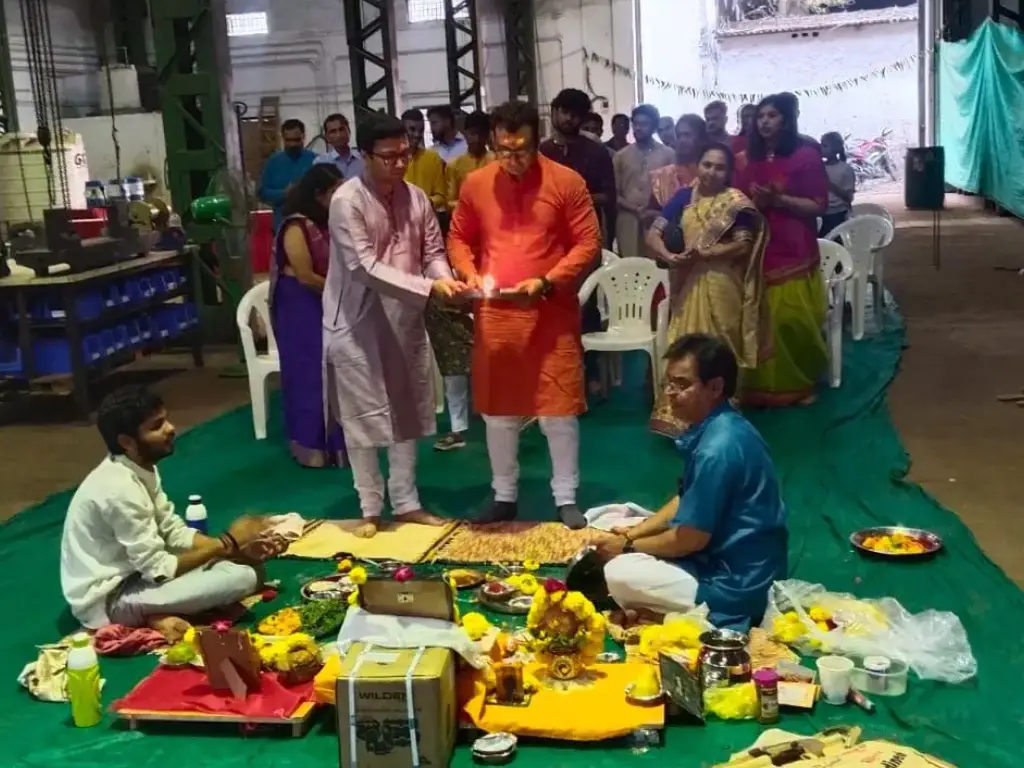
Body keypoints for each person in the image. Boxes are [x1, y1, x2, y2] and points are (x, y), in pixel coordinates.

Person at [448, 100, 602, 529]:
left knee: (558, 410)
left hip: (550, 312)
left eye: (521, 150)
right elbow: (458, 237)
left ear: (538, 141)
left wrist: (548, 281)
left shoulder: (566, 181)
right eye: (503, 150)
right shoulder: (476, 183)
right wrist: (468, 272)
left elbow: (588, 242)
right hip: (496, 315)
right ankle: (504, 495)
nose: (512, 159)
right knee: (498, 412)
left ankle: (565, 496)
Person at [324, 112, 468, 537]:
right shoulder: (346, 201)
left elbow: (432, 251)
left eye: (405, 153)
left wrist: (444, 279)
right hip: (356, 323)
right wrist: (429, 288)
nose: (400, 163)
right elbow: (363, 266)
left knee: (406, 412)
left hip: (405, 319)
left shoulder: (417, 197)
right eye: (389, 157)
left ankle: (406, 502)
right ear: (365, 156)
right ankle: (370, 505)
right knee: (363, 417)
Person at [596, 335, 788, 631]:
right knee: (617, 521)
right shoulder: (724, 425)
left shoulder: (717, 449)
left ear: (715, 387)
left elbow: (689, 540)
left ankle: (682, 614)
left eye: (682, 385)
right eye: (669, 383)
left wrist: (627, 548)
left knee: (619, 572)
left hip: (735, 584)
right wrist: (632, 533)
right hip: (726, 557)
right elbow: (685, 496)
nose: (670, 394)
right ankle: (658, 605)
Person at [60, 387, 271, 641]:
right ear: (127, 442)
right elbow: (158, 570)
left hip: (138, 575)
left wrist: (234, 550)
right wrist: (228, 543)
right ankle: (148, 615)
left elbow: (173, 531)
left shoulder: (139, 467)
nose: (170, 429)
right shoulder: (119, 489)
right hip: (111, 599)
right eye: (156, 426)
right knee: (244, 577)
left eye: (166, 420)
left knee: (242, 565)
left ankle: (158, 611)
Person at [645, 144, 770, 437]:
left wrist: (708, 254)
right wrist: (669, 256)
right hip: (688, 281)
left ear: (729, 172)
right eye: (707, 164)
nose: (712, 172)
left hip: (723, 283)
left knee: (722, 345)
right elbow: (653, 234)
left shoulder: (735, 202)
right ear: (698, 165)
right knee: (684, 344)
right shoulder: (682, 197)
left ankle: (722, 418)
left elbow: (744, 245)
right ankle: (680, 416)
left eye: (720, 167)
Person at [736, 94, 829, 407]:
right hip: (758, 248)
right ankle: (762, 388)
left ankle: (800, 383)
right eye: (761, 116)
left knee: (793, 318)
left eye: (772, 115)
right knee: (760, 318)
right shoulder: (748, 160)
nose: (764, 121)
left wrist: (779, 200)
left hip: (793, 247)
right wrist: (755, 203)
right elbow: (739, 203)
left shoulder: (806, 156)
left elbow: (818, 205)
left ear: (786, 121)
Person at [540, 89, 617, 397]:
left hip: (584, 238)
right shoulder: (541, 152)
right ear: (554, 111)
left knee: (587, 305)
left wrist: (574, 197)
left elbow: (608, 195)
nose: (569, 119)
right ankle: (556, 375)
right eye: (565, 112)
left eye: (575, 115)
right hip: (547, 242)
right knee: (550, 307)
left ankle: (591, 373)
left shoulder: (596, 153)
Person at [270, 164, 347, 467]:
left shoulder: (328, 223)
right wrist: (340, 293)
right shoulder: (296, 226)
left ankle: (338, 447)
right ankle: (312, 449)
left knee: (335, 371)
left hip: (326, 302)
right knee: (310, 374)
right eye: (335, 191)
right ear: (318, 194)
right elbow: (304, 276)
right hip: (300, 307)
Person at [614, 104, 676, 258]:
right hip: (628, 218)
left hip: (658, 218)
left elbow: (672, 193)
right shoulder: (620, 156)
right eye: (635, 124)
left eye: (644, 124)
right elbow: (614, 193)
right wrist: (636, 209)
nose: (638, 128)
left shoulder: (668, 155)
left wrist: (655, 212)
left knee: (657, 264)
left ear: (654, 127)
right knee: (629, 264)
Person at [259, 118, 318, 231]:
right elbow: (262, 192)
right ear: (282, 138)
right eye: (288, 140)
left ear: (303, 137)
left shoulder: (315, 160)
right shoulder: (273, 162)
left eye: (296, 140)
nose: (292, 144)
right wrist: (285, 194)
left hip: (311, 225)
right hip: (281, 225)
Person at [649, 114, 708, 209]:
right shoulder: (663, 176)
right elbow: (649, 212)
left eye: (687, 135)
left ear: (702, 138)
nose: (682, 140)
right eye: (679, 136)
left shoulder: (712, 173)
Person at [446, 110, 494, 209]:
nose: (477, 139)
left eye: (481, 134)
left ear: (487, 136)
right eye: (473, 134)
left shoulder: (497, 161)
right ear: (465, 134)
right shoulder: (454, 165)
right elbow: (450, 202)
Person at [401, 109, 448, 210]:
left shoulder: (433, 158)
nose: (417, 134)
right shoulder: (393, 159)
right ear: (402, 130)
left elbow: (441, 196)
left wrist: (425, 202)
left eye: (421, 130)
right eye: (412, 129)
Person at [819, 131, 855, 237]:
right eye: (821, 144)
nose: (821, 148)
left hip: (838, 214)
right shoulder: (819, 167)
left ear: (836, 149)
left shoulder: (845, 169)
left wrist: (828, 184)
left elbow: (849, 197)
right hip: (821, 212)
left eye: (825, 146)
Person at [315, 113, 365, 180]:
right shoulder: (321, 163)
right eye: (333, 131)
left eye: (341, 129)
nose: (339, 135)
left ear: (349, 131)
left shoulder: (363, 159)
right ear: (327, 137)